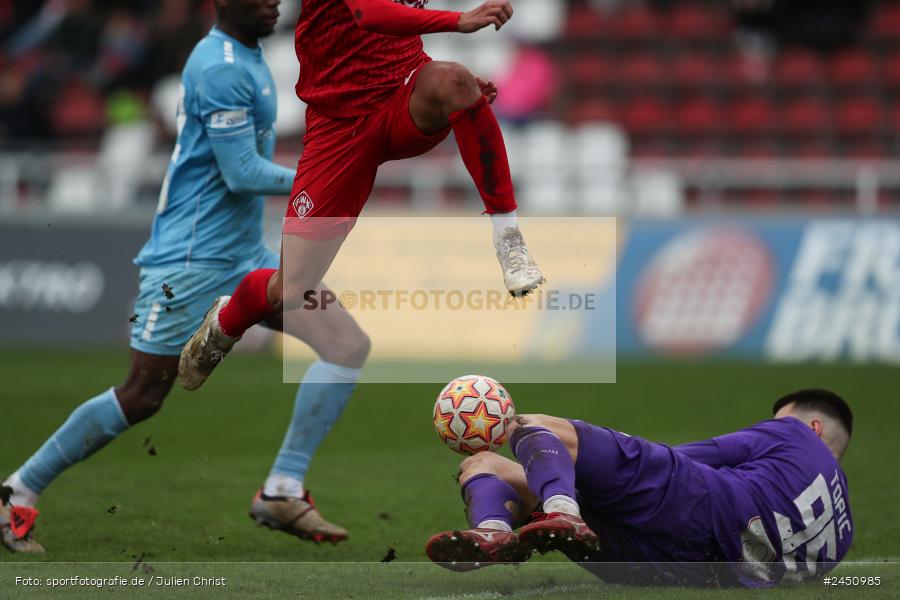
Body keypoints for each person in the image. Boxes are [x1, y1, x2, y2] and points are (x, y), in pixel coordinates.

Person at [0, 0, 369, 553]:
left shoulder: (246, 54)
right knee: (144, 394)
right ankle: (17, 492)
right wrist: (324, 180)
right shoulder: (220, 66)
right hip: (191, 260)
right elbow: (239, 172)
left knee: (344, 344)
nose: (275, 4)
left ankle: (282, 488)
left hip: (246, 255)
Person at [177, 0, 545, 392]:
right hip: (339, 124)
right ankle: (225, 323)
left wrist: (460, 94)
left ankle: (508, 237)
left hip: (402, 94)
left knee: (455, 80)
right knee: (291, 290)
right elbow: (369, 13)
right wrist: (458, 20)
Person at [426, 389, 854, 588]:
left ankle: (534, 515)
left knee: (529, 427)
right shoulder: (844, 533)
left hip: (697, 504)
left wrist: (594, 467)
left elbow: (692, 457)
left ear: (811, 425)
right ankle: (512, 524)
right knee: (486, 464)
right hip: (683, 572)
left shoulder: (796, 435)